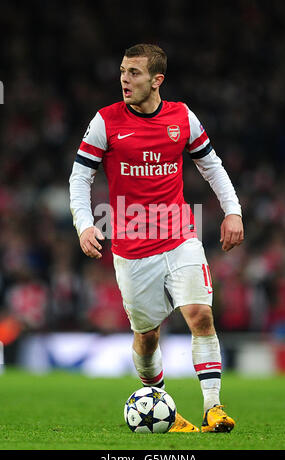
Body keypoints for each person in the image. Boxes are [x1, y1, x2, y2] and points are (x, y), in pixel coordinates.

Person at [69, 43, 244, 433]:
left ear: (156, 79)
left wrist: (233, 210)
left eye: (133, 73)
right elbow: (80, 176)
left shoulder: (182, 117)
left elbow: (211, 165)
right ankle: (162, 403)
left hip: (180, 235)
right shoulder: (106, 121)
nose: (124, 80)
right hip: (132, 249)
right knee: (146, 338)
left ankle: (213, 407)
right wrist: (84, 224)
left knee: (201, 315)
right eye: (122, 71)